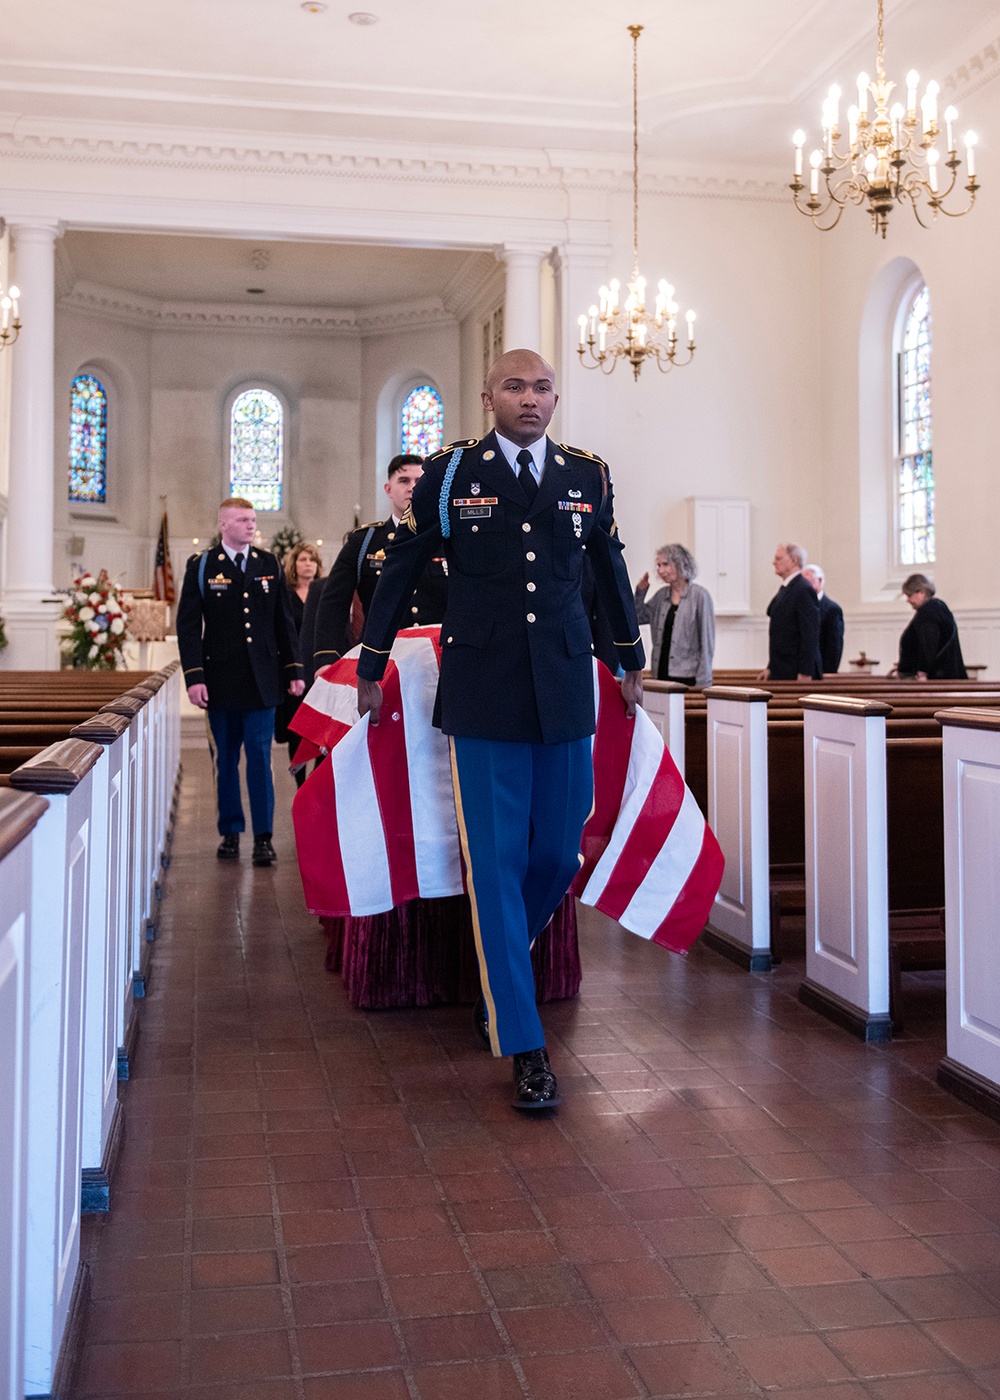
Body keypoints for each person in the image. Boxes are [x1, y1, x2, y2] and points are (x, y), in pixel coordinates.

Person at [355, 348, 644, 1112]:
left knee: (556, 850)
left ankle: (501, 967)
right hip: (482, 692)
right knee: (494, 862)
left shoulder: (588, 474)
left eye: (542, 386)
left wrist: (630, 658)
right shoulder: (451, 474)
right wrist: (370, 663)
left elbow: (608, 569)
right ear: (489, 396)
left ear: (556, 397)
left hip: (562, 685)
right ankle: (524, 1043)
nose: (530, 397)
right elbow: (400, 569)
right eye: (515, 386)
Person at [177, 497, 304, 866]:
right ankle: (230, 831)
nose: (251, 525)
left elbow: (284, 622)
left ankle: (264, 836)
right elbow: (187, 626)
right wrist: (194, 677)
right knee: (226, 759)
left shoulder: (269, 564)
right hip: (218, 682)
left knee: (261, 759)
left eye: (252, 519)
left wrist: (294, 670)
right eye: (242, 520)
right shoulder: (202, 566)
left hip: (263, 681)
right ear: (223, 524)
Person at [312, 454, 447, 670]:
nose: (412, 487)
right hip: (380, 662)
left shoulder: (448, 539)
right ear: (388, 489)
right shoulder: (364, 541)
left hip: (439, 659)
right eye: (404, 481)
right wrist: (327, 659)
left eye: (420, 482)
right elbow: (334, 602)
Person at [634, 543, 715, 686]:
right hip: (661, 672)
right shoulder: (661, 595)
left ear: (680, 564)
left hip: (688, 676)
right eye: (658, 565)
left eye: (665, 564)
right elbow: (638, 618)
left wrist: (703, 681)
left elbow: (707, 641)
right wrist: (640, 592)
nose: (660, 570)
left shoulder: (700, 596)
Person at [276, 542, 322, 786]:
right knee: (297, 728)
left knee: (320, 729)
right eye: (303, 559)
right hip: (294, 669)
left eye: (312, 560)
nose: (308, 564)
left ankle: (315, 782)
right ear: (294, 564)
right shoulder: (284, 593)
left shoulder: (323, 591)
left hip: (318, 669)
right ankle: (300, 782)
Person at [760, 542, 821, 682]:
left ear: (794, 561)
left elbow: (809, 633)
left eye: (778, 558)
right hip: (783, 668)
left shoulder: (803, 589)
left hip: (796, 671)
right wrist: (771, 666)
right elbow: (781, 634)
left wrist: (805, 671)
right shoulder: (787, 588)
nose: (773, 562)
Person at [893, 573, 967, 680]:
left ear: (921, 593)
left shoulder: (928, 613)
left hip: (934, 678)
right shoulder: (938, 608)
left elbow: (928, 645)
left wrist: (923, 672)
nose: (907, 600)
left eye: (909, 595)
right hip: (946, 675)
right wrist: (901, 667)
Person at [802, 564, 845, 674]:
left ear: (819, 581)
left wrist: (827, 673)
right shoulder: (802, 606)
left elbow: (834, 647)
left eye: (807, 581)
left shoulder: (832, 609)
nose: (804, 586)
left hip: (821, 672)